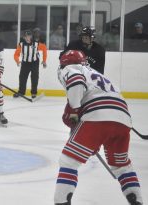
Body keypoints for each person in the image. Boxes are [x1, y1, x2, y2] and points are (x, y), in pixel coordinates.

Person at [54, 50, 143, 205]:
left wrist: (74, 111)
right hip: (123, 118)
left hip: (98, 117)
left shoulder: (70, 68)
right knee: (121, 165)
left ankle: (61, 202)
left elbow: (75, 82)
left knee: (68, 161)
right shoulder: (95, 73)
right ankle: (138, 201)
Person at [13, 30, 47, 99]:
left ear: (31, 36)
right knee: (22, 77)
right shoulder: (21, 44)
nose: (28, 37)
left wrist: (44, 60)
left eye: (29, 36)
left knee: (34, 77)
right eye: (26, 36)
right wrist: (17, 61)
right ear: (24, 37)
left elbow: (44, 48)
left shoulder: (36, 44)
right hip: (25, 63)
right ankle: (21, 92)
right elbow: (16, 54)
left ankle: (34, 93)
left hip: (35, 62)